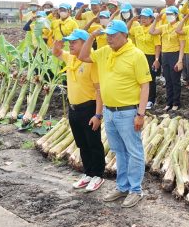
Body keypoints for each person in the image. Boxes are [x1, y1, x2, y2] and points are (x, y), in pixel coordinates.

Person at [78, 20, 151, 208]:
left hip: (128, 112)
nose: (109, 38)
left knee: (134, 152)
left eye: (113, 35)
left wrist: (140, 114)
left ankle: (135, 190)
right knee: (119, 151)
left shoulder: (136, 55)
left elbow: (145, 86)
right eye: (107, 35)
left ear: (124, 35)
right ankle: (122, 186)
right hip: (109, 112)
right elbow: (83, 55)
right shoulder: (104, 52)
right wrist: (93, 36)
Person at [51, 29, 105, 192]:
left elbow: (99, 90)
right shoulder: (71, 58)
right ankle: (88, 173)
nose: (70, 45)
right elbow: (57, 52)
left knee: (93, 143)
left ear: (84, 42)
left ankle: (98, 175)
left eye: (74, 42)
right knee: (82, 144)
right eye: (69, 42)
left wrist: (98, 114)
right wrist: (56, 45)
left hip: (89, 108)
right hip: (74, 109)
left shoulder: (91, 61)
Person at [150, 6, 185, 111]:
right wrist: (156, 20)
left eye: (171, 14)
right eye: (167, 14)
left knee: (175, 80)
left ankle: (176, 102)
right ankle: (169, 103)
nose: (169, 16)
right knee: (168, 80)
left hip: (175, 54)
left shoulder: (179, 27)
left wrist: (180, 60)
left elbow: (182, 45)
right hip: (165, 55)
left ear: (176, 15)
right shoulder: (164, 27)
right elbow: (152, 31)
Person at [129, 8, 161, 109]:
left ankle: (151, 100)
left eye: (146, 17)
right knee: (138, 78)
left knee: (150, 79)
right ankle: (140, 98)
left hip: (150, 56)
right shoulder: (137, 28)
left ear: (151, 19)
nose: (143, 19)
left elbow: (157, 46)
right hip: (138, 56)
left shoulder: (153, 29)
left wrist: (156, 60)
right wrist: (132, 20)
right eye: (142, 17)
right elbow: (125, 30)